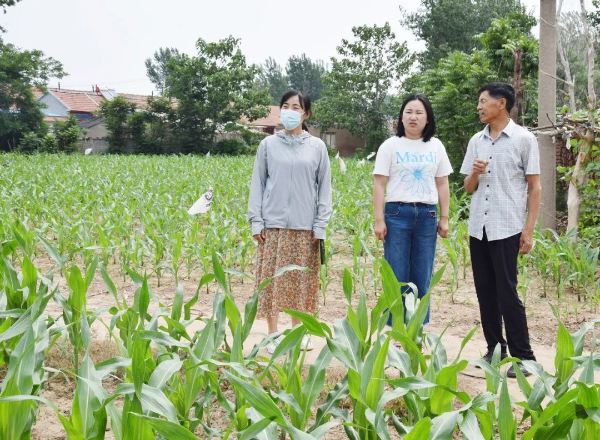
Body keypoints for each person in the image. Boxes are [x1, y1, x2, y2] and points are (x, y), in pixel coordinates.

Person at [460, 82, 541, 378]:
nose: (479, 107)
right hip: (478, 228)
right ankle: (495, 349)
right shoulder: (476, 141)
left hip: (507, 227)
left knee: (507, 292)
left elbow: (535, 188)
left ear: (502, 103)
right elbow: (468, 189)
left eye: (483, 101)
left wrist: (528, 230)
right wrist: (475, 173)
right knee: (485, 292)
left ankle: (525, 356)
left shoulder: (524, 140)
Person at [247, 90, 332, 354]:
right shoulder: (268, 145)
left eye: (296, 107)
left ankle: (298, 330)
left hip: (304, 227)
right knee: (271, 281)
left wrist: (320, 225)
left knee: (299, 280)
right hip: (272, 226)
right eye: (286, 106)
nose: (290, 111)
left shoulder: (317, 147)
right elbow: (258, 184)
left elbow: (325, 189)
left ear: (306, 114)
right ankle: (272, 334)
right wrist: (256, 221)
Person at [373, 93, 452, 326]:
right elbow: (379, 183)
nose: (413, 117)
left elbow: (442, 183)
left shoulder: (435, 146)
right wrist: (379, 220)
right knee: (396, 275)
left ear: (427, 119)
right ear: (401, 117)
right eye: (408, 112)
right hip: (397, 214)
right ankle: (394, 328)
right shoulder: (390, 145)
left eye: (419, 112)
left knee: (422, 275)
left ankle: (419, 328)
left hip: (427, 216)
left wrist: (444, 217)